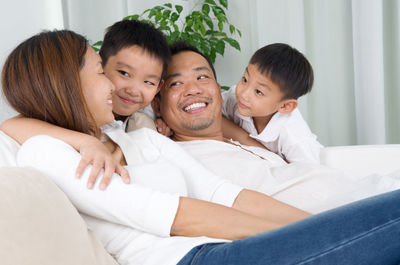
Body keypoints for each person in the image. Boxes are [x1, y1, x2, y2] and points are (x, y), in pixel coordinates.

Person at [2, 30, 400, 265]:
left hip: (229, 248)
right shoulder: (46, 152)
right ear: (65, 84)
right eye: (101, 72)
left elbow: (226, 195)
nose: (115, 86)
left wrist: (317, 229)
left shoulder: (138, 137)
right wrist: (317, 235)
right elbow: (172, 217)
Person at [152, 41, 400, 214]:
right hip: (352, 215)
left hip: (367, 192)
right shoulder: (177, 158)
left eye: (202, 77)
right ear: (157, 105)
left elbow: (313, 169)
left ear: (218, 89)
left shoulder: (289, 133)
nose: (193, 89)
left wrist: (246, 141)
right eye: (175, 84)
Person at [0, 19, 171, 189]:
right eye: (123, 73)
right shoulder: (51, 140)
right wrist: (86, 142)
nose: (133, 90)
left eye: (148, 82)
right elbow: (13, 125)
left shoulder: (144, 121)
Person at [220, 43, 323, 163]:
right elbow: (211, 114)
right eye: (245, 80)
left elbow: (309, 174)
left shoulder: (294, 136)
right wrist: (246, 139)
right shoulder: (234, 98)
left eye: (258, 92)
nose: (243, 94)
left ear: (285, 106)